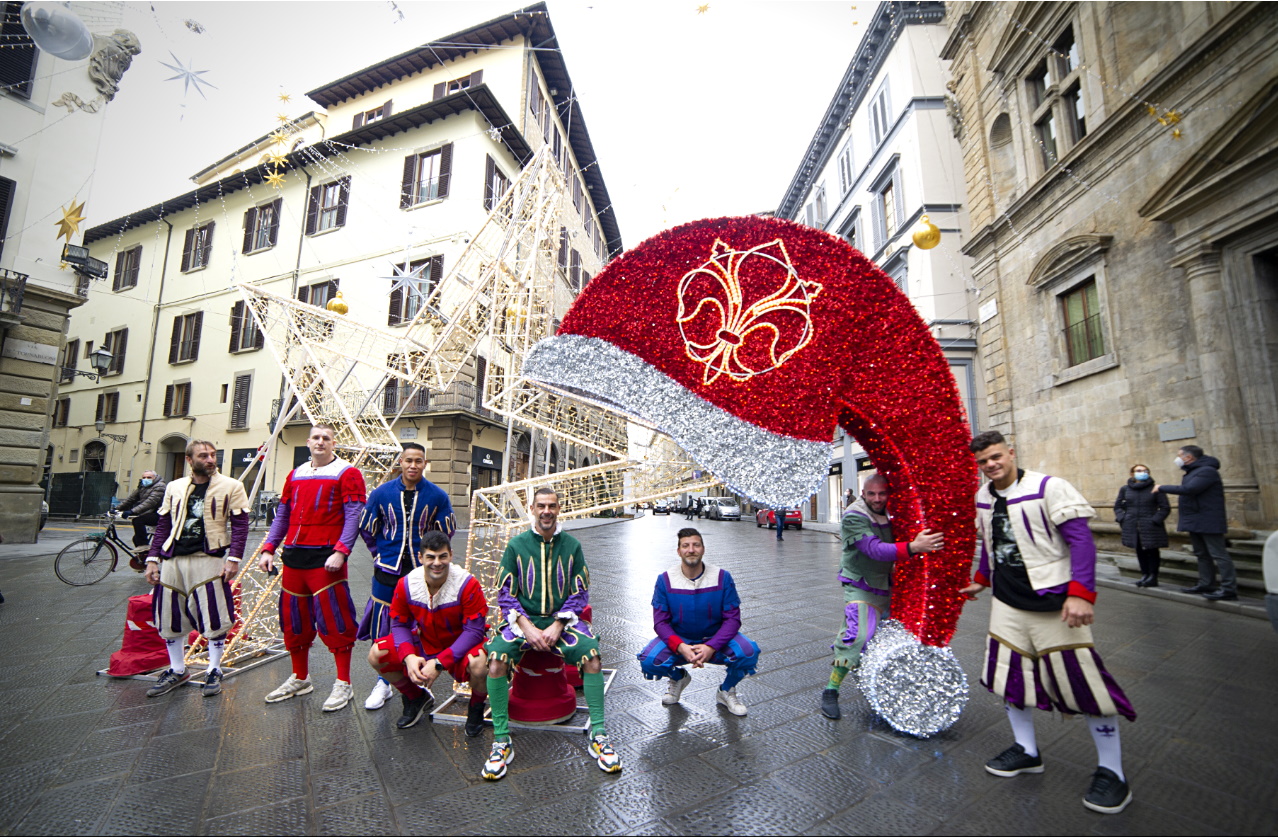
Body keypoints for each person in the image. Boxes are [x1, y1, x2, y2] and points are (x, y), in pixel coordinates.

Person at [961, 430, 1136, 815]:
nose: (991, 466)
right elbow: (992, 543)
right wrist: (982, 579)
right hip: (1007, 603)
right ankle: (1026, 750)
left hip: (1053, 602)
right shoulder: (983, 496)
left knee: (1084, 683)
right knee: (1009, 678)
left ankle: (1112, 772)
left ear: (1010, 452)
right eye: (983, 462)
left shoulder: (1049, 487)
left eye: (995, 457)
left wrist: (1081, 593)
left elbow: (1082, 542)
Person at [480, 487, 621, 780]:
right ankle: (501, 739)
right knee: (495, 660)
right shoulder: (516, 545)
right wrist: (526, 626)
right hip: (523, 622)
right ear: (532, 509)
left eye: (552, 506)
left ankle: (599, 734)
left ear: (559, 509)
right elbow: (505, 593)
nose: (546, 511)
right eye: (541, 506)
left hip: (564, 623)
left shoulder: (572, 545)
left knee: (592, 657)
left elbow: (580, 592)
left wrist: (557, 624)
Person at [258, 424, 367, 712]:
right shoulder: (294, 475)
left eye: (326, 438)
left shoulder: (348, 473)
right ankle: (300, 677)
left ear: (334, 443)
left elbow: (354, 514)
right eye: (316, 438)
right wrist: (269, 547)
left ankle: (344, 682)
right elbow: (283, 514)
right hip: (293, 557)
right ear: (308, 442)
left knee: (335, 620)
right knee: (294, 621)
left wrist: (342, 551)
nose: (320, 442)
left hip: (326, 558)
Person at [820, 475, 943, 720]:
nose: (877, 499)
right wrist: (914, 547)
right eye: (872, 494)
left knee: (899, 641)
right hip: (861, 585)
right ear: (863, 494)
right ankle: (831, 691)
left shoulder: (895, 510)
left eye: (882, 494)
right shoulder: (854, 515)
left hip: (891, 586)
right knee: (858, 636)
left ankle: (892, 692)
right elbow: (874, 550)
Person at [143, 440, 249, 699]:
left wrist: (234, 558)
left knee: (214, 614)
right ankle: (178, 669)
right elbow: (164, 525)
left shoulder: (232, 486)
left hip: (208, 557)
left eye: (213, 455)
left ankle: (214, 669)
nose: (211, 459)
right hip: (173, 559)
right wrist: (152, 559)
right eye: (204, 456)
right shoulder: (174, 486)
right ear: (190, 460)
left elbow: (240, 525)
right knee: (169, 616)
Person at [357, 443, 456, 711]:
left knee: (419, 623)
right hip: (387, 570)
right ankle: (383, 681)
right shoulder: (381, 493)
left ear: (425, 464)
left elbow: (445, 533)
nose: (413, 465)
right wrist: (379, 553)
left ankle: (417, 674)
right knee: (384, 624)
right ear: (400, 462)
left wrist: (432, 559)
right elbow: (367, 527)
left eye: (419, 461)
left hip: (421, 572)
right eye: (408, 460)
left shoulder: (437, 495)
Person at [368, 531, 489, 733]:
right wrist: (408, 657)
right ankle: (416, 698)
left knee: (480, 663)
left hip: (462, 643)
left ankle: (476, 708)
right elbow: (399, 624)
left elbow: (474, 632)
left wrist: (440, 663)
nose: (437, 563)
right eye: (431, 557)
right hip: (425, 641)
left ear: (451, 555)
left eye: (442, 556)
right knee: (376, 654)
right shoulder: (406, 583)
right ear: (420, 557)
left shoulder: (467, 584)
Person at [637, 528, 759, 716]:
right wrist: (680, 646)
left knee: (747, 652)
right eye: (685, 546)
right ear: (679, 551)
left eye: (696, 545)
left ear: (703, 549)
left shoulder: (722, 577)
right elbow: (660, 622)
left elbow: (733, 619)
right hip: (680, 640)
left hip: (716, 639)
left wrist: (711, 646)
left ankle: (726, 690)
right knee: (649, 660)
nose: (691, 550)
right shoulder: (665, 580)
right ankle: (678, 678)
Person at [1153, 445, 1234, 601]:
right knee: (1201, 554)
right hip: (1196, 519)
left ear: (1188, 457)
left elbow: (1190, 489)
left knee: (1219, 554)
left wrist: (1162, 487)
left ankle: (1229, 588)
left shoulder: (1207, 471)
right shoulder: (1194, 471)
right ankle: (1206, 584)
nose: (1177, 459)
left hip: (1208, 520)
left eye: (1179, 455)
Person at [1113, 464, 1170, 587]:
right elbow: (1118, 506)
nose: (1142, 472)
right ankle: (1144, 574)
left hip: (1151, 525)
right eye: (1139, 470)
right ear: (1132, 473)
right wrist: (1122, 518)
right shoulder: (1125, 489)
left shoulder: (1156, 488)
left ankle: (1153, 576)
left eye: (1145, 471)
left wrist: (1155, 520)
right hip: (1133, 525)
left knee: (1152, 549)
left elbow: (1165, 507)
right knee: (1139, 550)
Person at [117, 470, 167, 549]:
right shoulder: (143, 486)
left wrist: (132, 511)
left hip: (160, 514)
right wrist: (117, 508)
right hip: (150, 513)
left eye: (149, 477)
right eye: (144, 477)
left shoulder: (160, 486)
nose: (146, 479)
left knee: (138, 521)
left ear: (155, 478)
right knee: (136, 539)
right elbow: (131, 499)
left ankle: (144, 546)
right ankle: (142, 557)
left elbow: (150, 502)